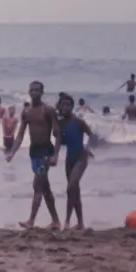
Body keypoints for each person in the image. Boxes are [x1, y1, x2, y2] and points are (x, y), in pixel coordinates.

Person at [6, 81, 61, 229]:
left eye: (37, 90)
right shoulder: (26, 112)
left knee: (37, 185)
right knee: (45, 188)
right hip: (34, 152)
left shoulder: (48, 110)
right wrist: (12, 152)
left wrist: (55, 155)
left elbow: (58, 134)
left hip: (46, 152)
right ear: (29, 92)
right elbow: (20, 135)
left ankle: (31, 220)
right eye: (32, 90)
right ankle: (56, 221)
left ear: (42, 92)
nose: (34, 92)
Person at [57, 94, 95, 230]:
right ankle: (80, 223)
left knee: (70, 187)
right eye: (63, 105)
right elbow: (60, 141)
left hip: (81, 158)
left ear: (72, 107)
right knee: (75, 191)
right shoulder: (60, 123)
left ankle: (67, 221)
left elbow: (92, 135)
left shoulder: (78, 122)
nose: (65, 107)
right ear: (59, 106)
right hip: (69, 160)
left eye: (68, 105)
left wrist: (88, 147)